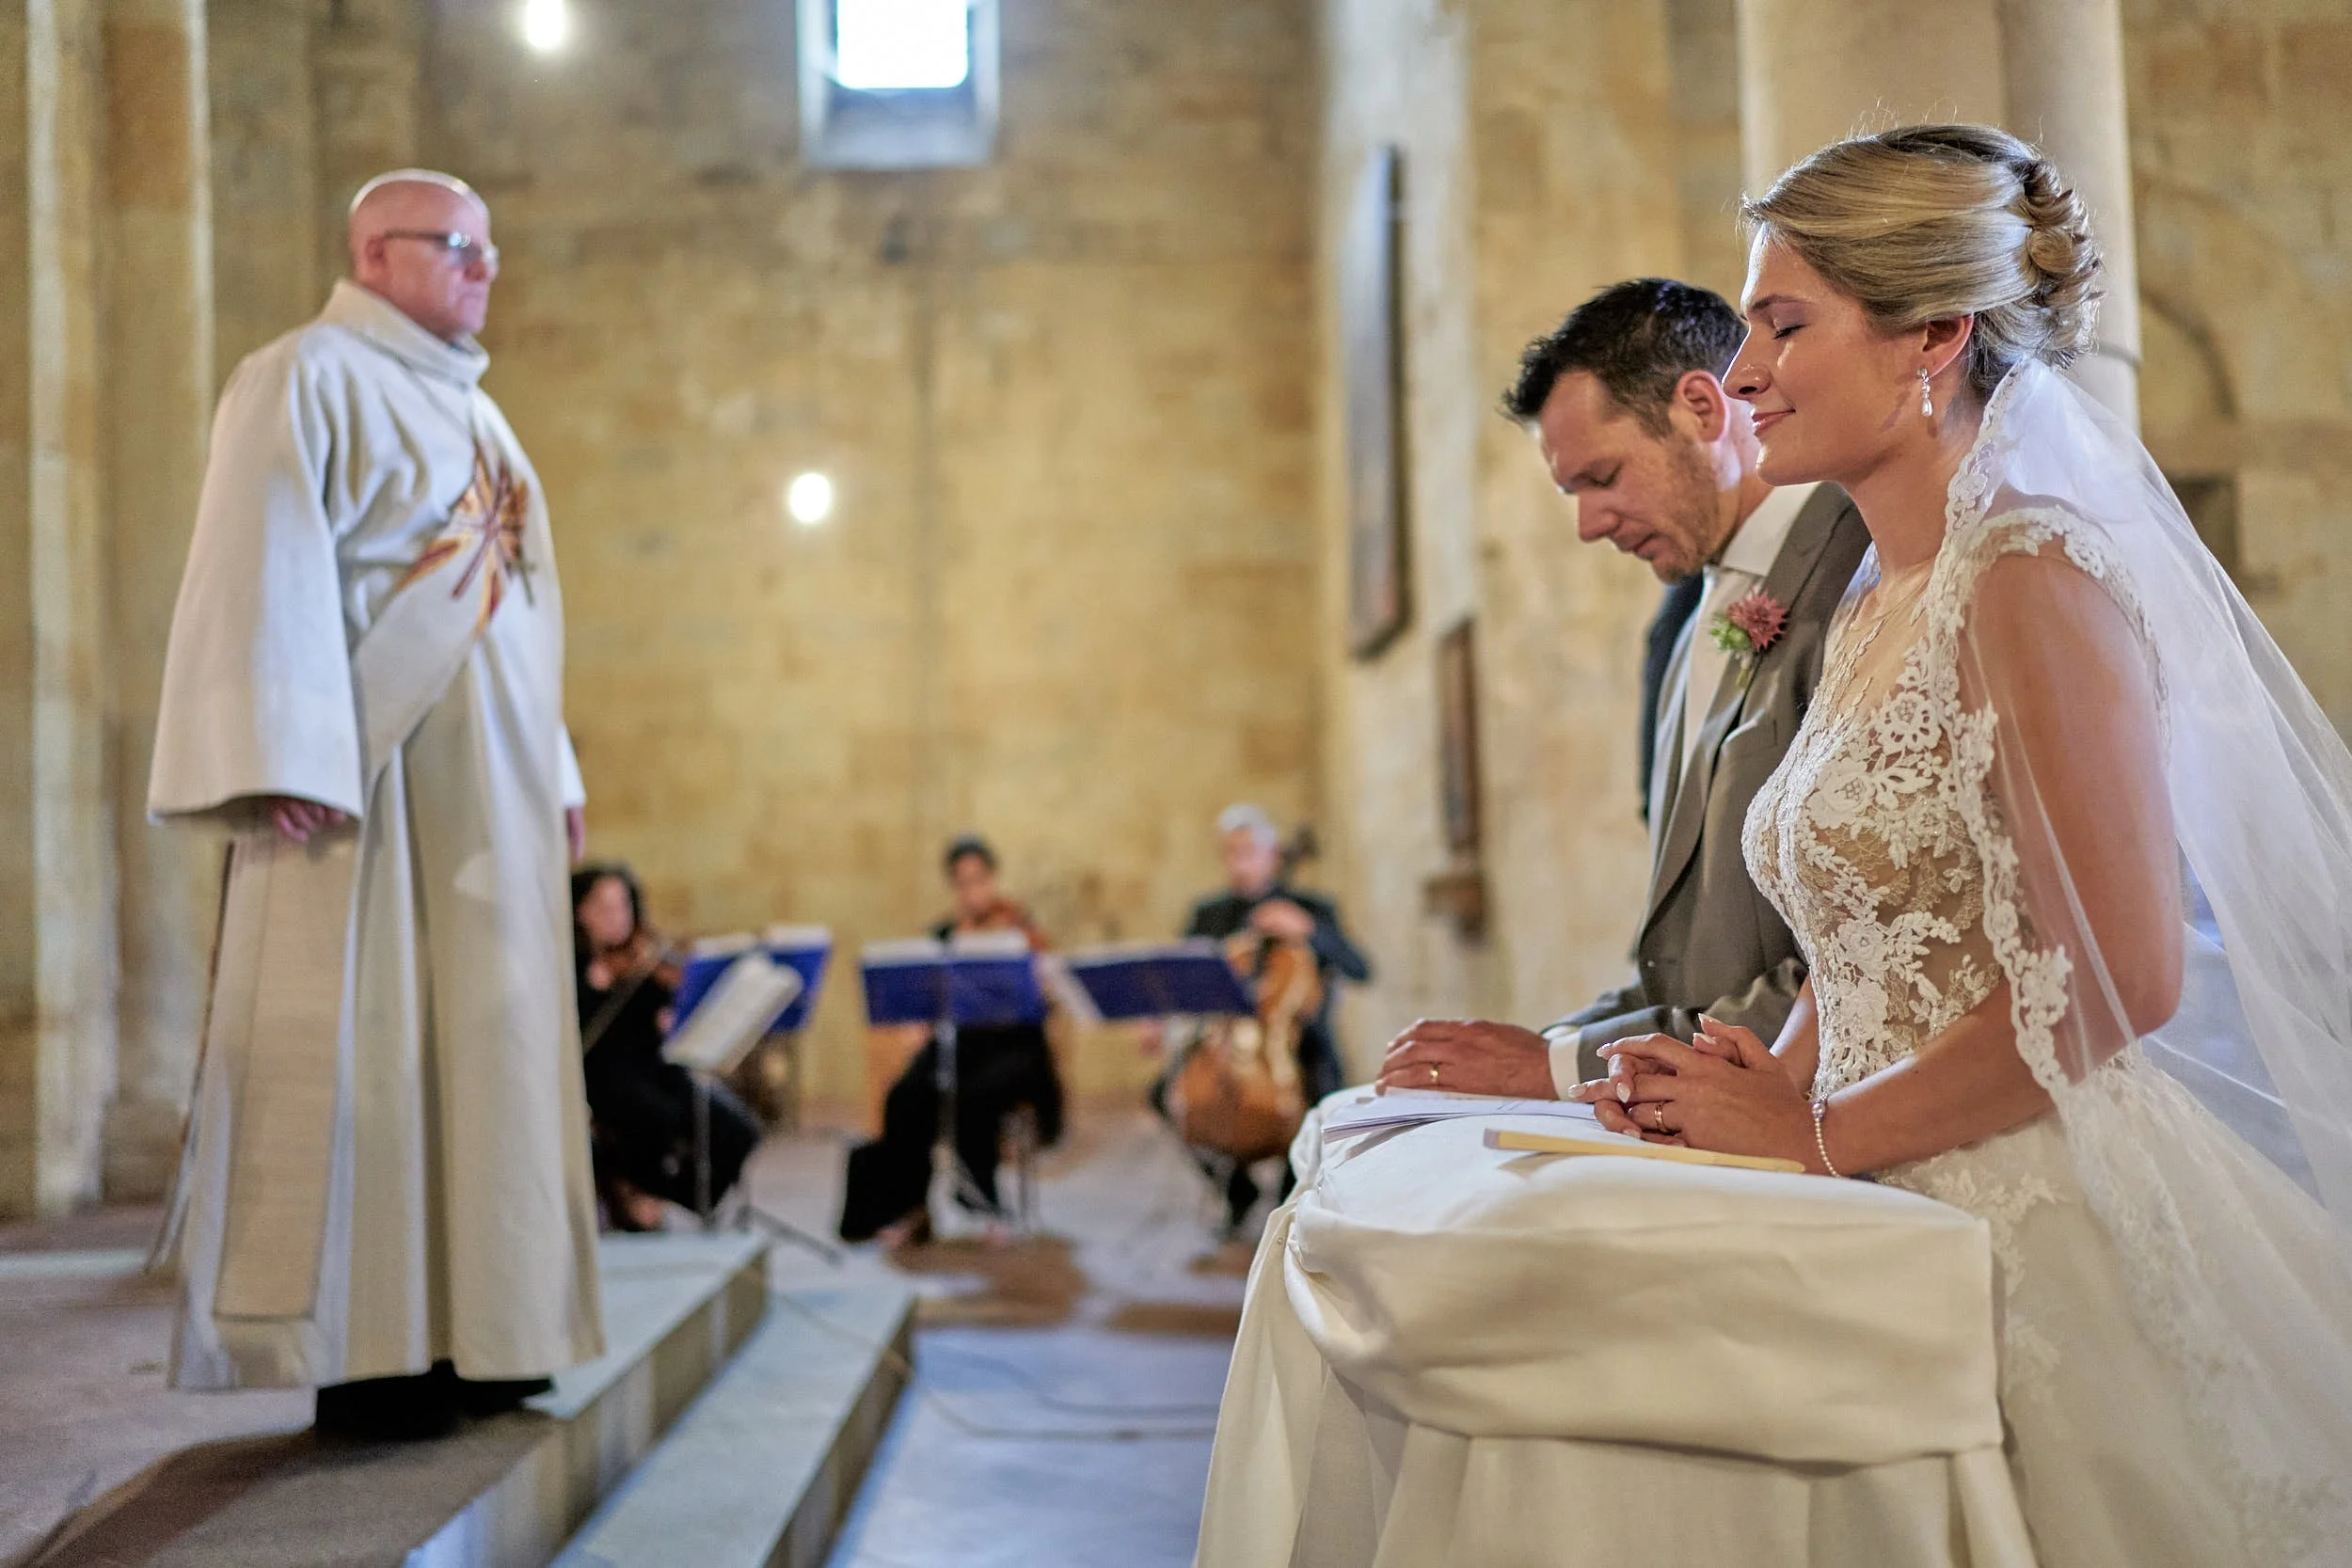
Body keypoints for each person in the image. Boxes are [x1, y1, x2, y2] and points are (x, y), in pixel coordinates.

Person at [1576, 125, 2352, 1562]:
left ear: (1933, 332)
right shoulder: (1882, 589)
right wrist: (1766, 1072)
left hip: (2022, 1201)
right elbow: (1877, 915)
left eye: (1782, 323)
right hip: (1870, 1179)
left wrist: (1819, 1134)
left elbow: (2120, 977)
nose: (1742, 375)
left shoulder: (2034, 571)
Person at [147, 169, 601, 1440]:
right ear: (374, 250)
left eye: (490, 248)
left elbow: (521, 616)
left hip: (495, 817)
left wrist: (553, 771)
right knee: (382, 1053)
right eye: (459, 246)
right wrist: (280, 750)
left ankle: (494, 1333)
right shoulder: (303, 374)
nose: (485, 268)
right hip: (375, 800)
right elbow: (259, 557)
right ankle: (381, 1349)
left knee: (492, 1062)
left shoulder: (488, 423)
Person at [1379, 278, 1868, 1100]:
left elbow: (1860, 960)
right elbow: (1690, 965)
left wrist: (1554, 1068)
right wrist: (1551, 1048)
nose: (1588, 524)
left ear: (1703, 410)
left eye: (1601, 477)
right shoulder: (1685, 626)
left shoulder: (1854, 571)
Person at [1152, 804, 1372, 1235]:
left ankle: (1291, 1203)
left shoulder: (1311, 906)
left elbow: (1360, 968)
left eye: (1250, 851)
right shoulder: (1210, 914)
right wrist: (1158, 1019)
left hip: (1298, 1041)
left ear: (1273, 855)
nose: (1240, 862)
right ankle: (1237, 1189)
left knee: (1324, 1101)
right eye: (1231, 853)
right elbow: (1182, 974)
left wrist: (1307, 930)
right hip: (1222, 1041)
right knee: (1166, 1094)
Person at [838, 836, 1066, 1246]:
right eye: (962, 883)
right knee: (904, 1096)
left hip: (1016, 1047)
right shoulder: (943, 936)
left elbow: (1048, 999)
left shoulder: (1021, 931)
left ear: (992, 879)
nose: (972, 891)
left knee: (974, 1095)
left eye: (978, 880)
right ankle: (912, 1208)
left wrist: (1040, 980)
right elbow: (925, 1002)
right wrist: (917, 1022)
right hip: (959, 1045)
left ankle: (985, 1204)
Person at [572, 865, 762, 1232]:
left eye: (622, 906)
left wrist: (671, 1009)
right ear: (581, 913)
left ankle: (686, 1196)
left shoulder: (646, 960)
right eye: (605, 908)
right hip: (604, 1078)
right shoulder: (572, 967)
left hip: (657, 1069)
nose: (617, 918)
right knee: (656, 1115)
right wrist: (596, 985)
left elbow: (672, 1014)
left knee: (738, 1129)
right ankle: (634, 1187)